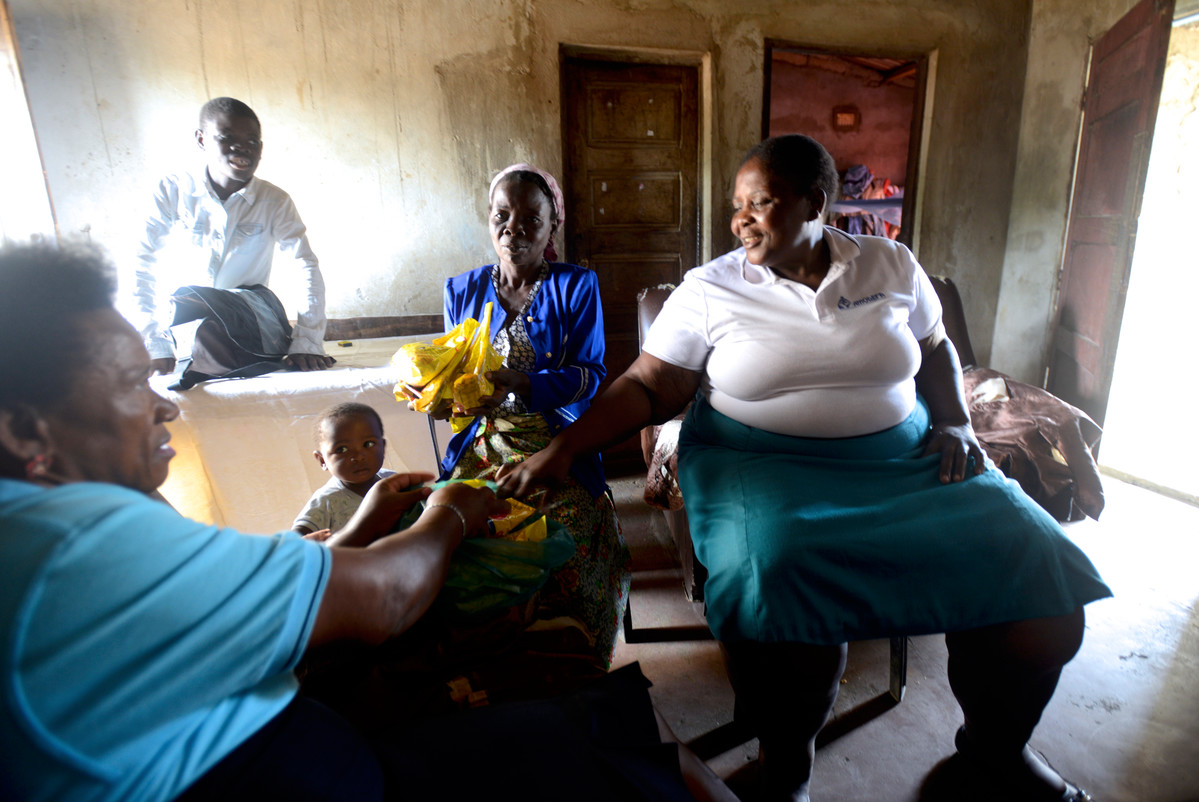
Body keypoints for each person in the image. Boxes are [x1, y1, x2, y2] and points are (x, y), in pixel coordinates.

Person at [0, 242, 737, 802]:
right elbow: (386, 598)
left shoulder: (41, 526)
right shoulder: (79, 547)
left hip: (297, 750)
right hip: (331, 776)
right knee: (621, 730)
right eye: (133, 383)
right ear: (27, 431)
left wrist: (355, 534)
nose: (163, 403)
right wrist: (449, 508)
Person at [498, 135, 1111, 802]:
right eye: (736, 207)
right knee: (780, 576)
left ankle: (994, 752)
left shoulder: (889, 262)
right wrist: (564, 448)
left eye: (759, 203)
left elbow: (933, 346)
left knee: (1043, 584)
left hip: (901, 459)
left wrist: (954, 420)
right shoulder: (712, 288)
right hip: (760, 461)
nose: (739, 221)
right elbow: (647, 385)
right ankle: (787, 769)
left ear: (816, 203)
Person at [436, 163, 631, 669]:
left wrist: (529, 384)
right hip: (484, 443)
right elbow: (455, 381)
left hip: (556, 439)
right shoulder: (461, 291)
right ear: (488, 219)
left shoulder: (575, 286)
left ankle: (569, 662)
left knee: (564, 531)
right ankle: (489, 665)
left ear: (551, 229)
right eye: (502, 215)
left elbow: (590, 375)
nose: (512, 229)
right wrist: (448, 398)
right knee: (453, 527)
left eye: (530, 219)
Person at [134, 96, 334, 376]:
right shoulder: (172, 191)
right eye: (226, 138)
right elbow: (141, 265)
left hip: (245, 321)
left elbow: (305, 266)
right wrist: (154, 343)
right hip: (181, 321)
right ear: (202, 140)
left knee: (220, 320)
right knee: (189, 309)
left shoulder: (274, 201)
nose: (242, 148)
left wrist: (308, 341)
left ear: (261, 148)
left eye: (252, 141)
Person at [294, 402, 395, 539]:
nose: (358, 457)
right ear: (322, 460)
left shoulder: (394, 482)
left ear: (383, 448)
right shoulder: (327, 501)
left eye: (368, 444)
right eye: (342, 449)